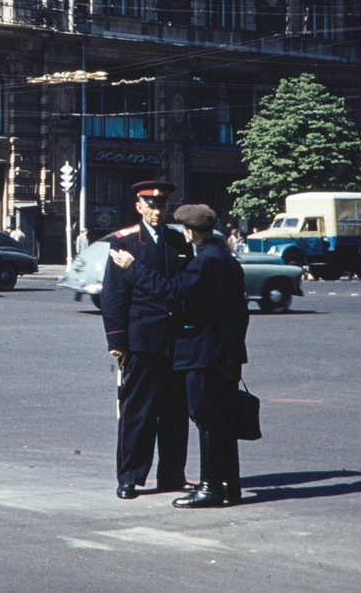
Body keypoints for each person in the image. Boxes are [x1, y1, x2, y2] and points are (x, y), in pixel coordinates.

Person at [109, 203, 249, 507]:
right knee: (221, 419)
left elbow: (170, 290)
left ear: (188, 231)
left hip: (200, 352)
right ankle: (229, 486)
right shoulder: (228, 259)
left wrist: (132, 268)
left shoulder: (204, 262)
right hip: (225, 353)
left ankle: (210, 486)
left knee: (205, 418)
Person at [101, 179, 191, 500]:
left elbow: (184, 289)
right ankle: (129, 476)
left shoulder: (179, 241)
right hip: (141, 340)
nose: (157, 211)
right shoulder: (124, 241)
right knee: (137, 412)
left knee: (175, 414)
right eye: (151, 205)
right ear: (139, 206)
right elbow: (113, 296)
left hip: (175, 342)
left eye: (162, 205)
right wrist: (116, 340)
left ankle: (172, 475)